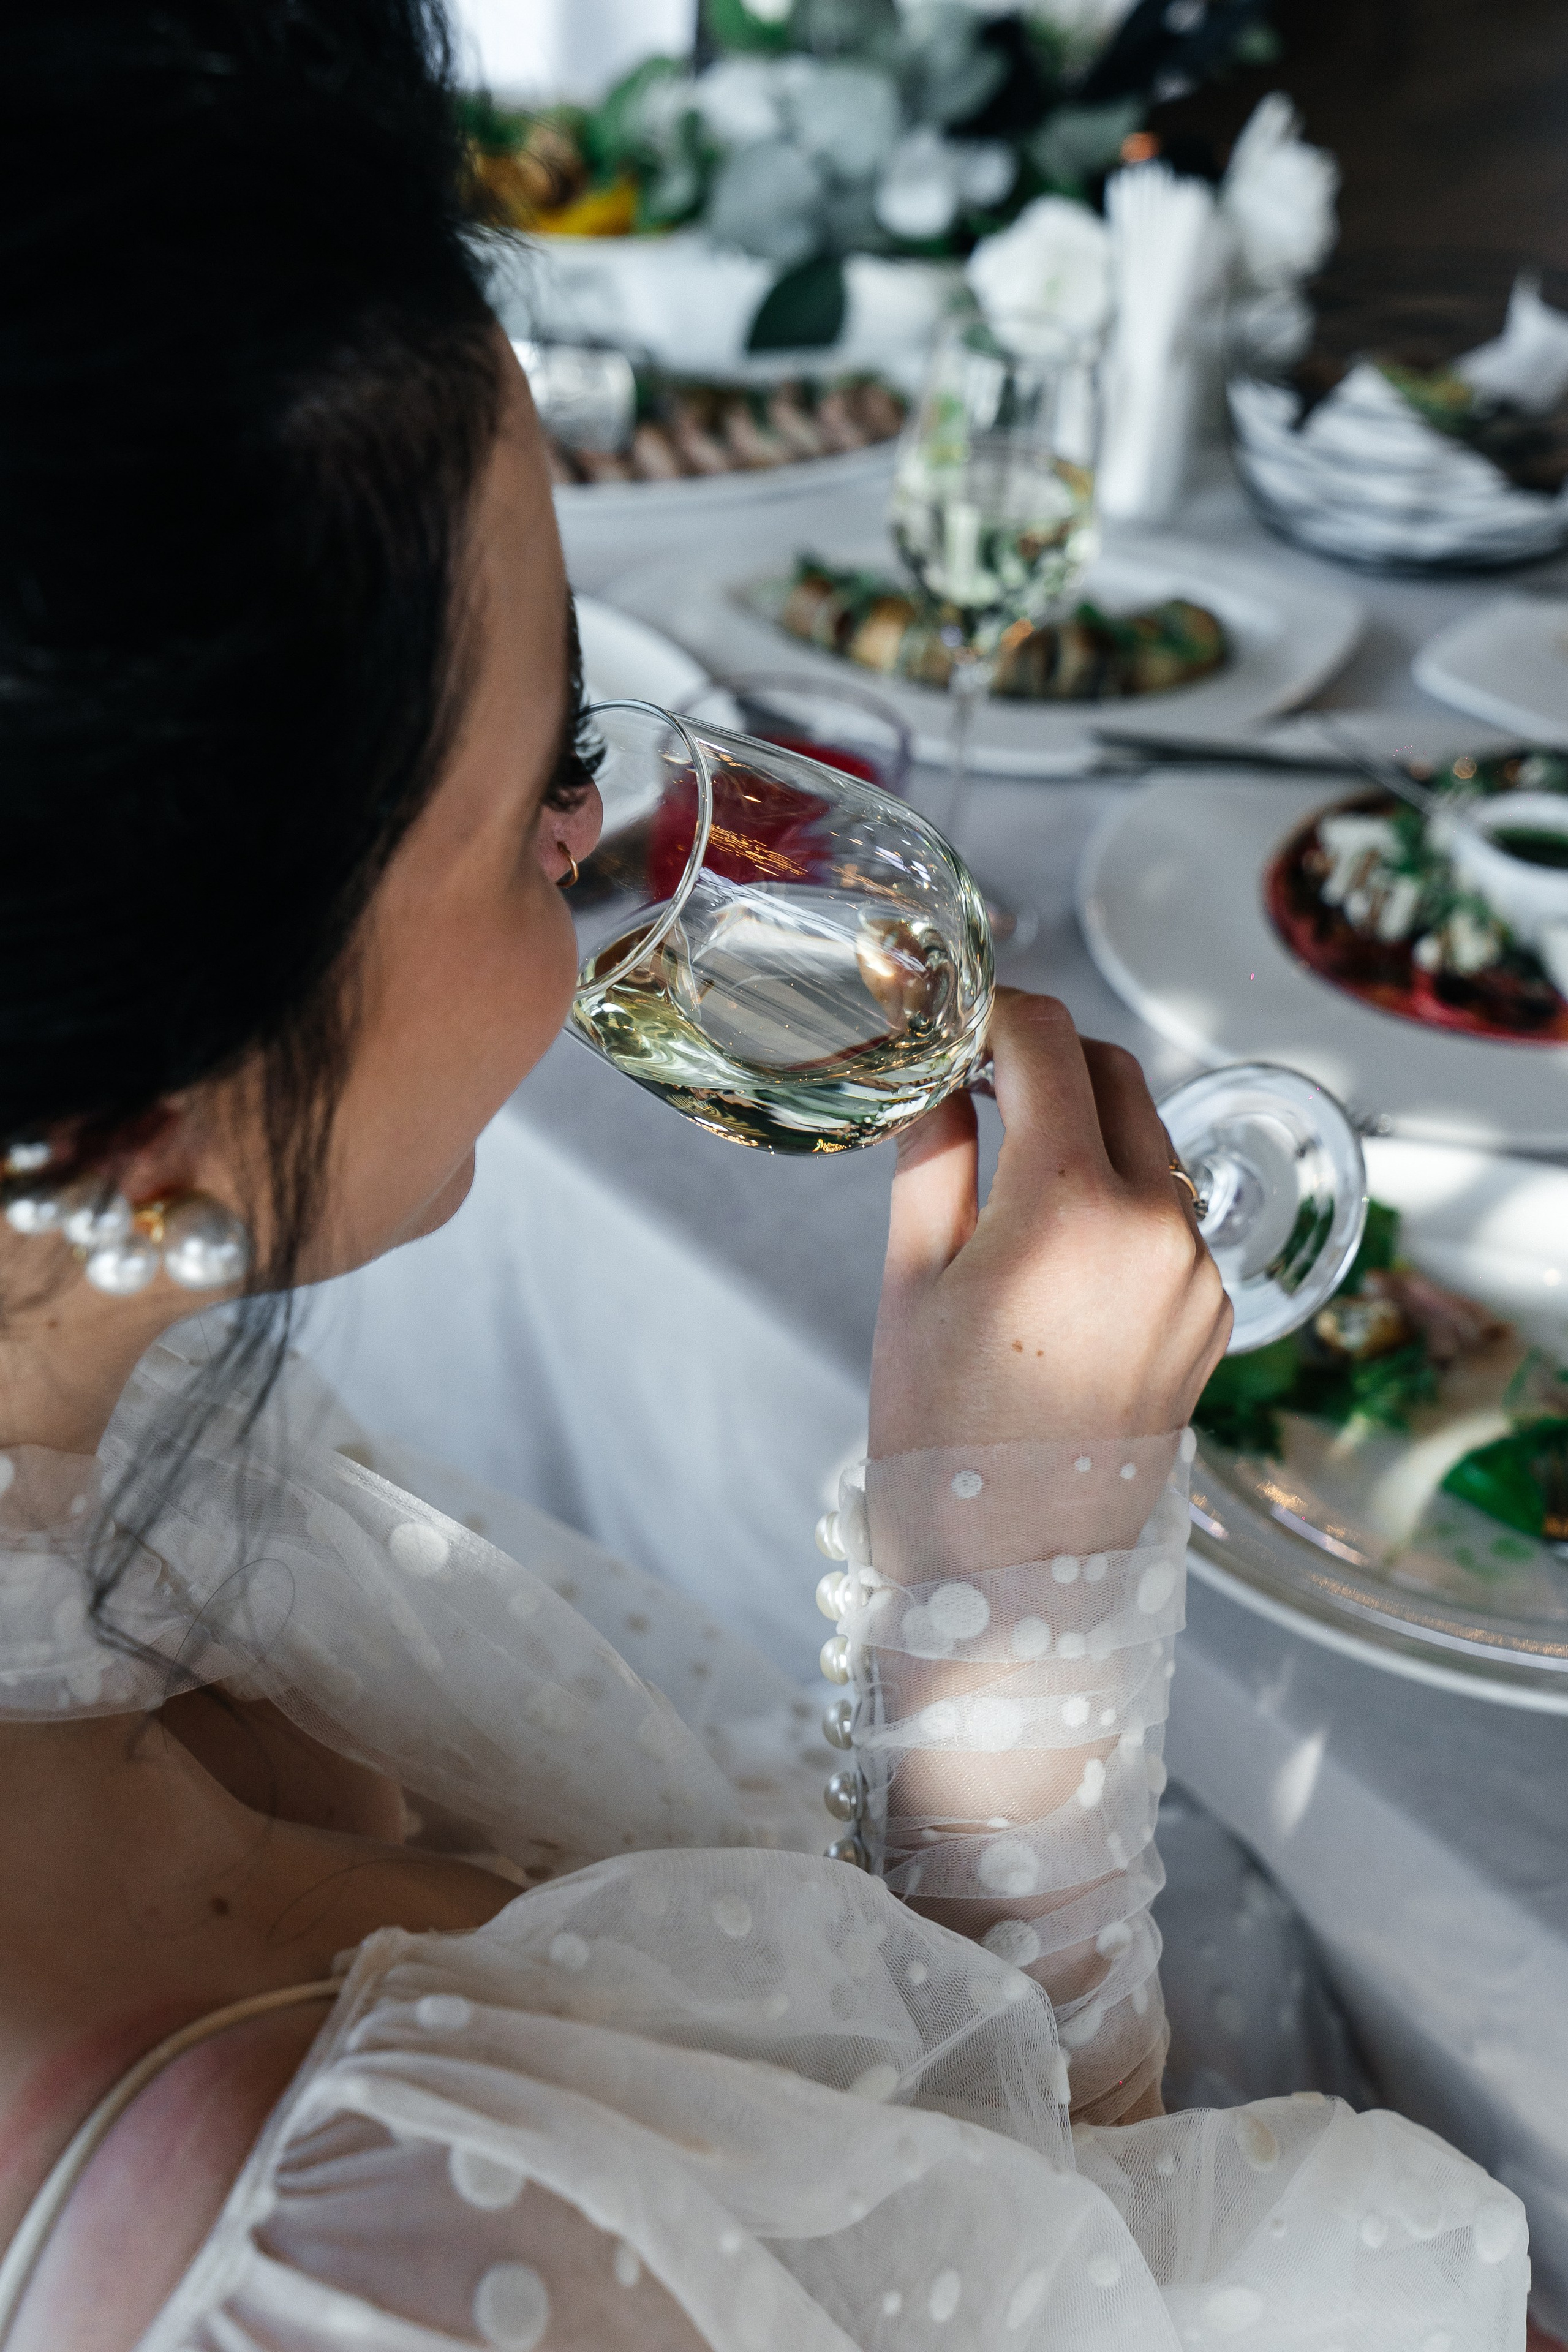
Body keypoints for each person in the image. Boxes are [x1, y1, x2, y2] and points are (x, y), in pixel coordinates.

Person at [0, 5, 1529, 2347]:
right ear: (154, 1117)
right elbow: (1071, 2279)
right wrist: (1010, 1569)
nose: (613, 840)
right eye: (533, 797)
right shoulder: (329, 2253)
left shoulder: (83, 1473)